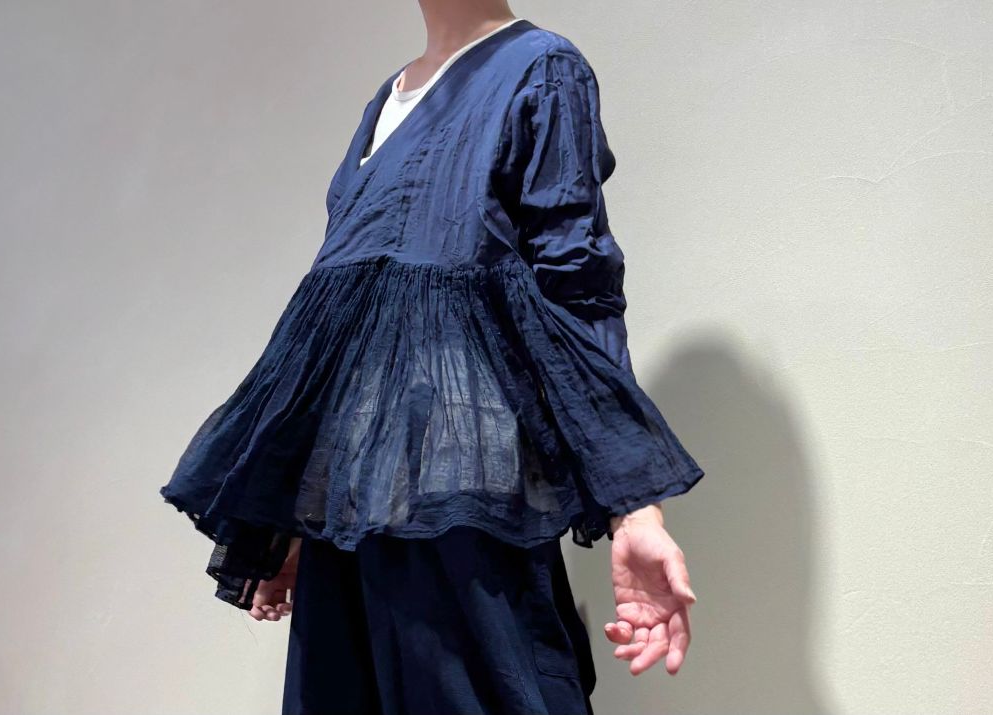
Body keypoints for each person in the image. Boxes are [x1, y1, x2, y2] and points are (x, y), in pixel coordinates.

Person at [159, 3, 705, 713]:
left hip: (463, 494)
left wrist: (635, 509)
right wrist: (300, 512)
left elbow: (580, 289)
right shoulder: (384, 101)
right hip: (354, 507)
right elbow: (344, 332)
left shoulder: (541, 67)